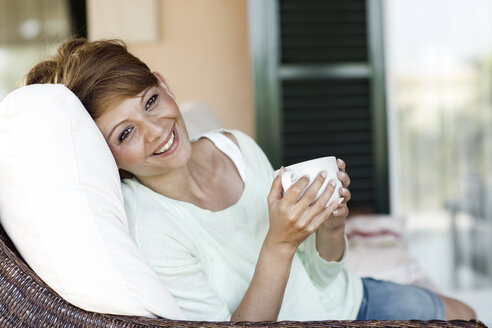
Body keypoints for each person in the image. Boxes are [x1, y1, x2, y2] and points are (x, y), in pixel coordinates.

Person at [25, 38, 476, 322]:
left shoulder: (234, 146)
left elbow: (322, 272)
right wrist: (279, 244)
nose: (156, 130)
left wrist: (330, 226)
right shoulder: (151, 229)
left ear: (164, 85)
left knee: (467, 314)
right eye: (124, 133)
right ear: (107, 155)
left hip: (351, 298)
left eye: (150, 101)